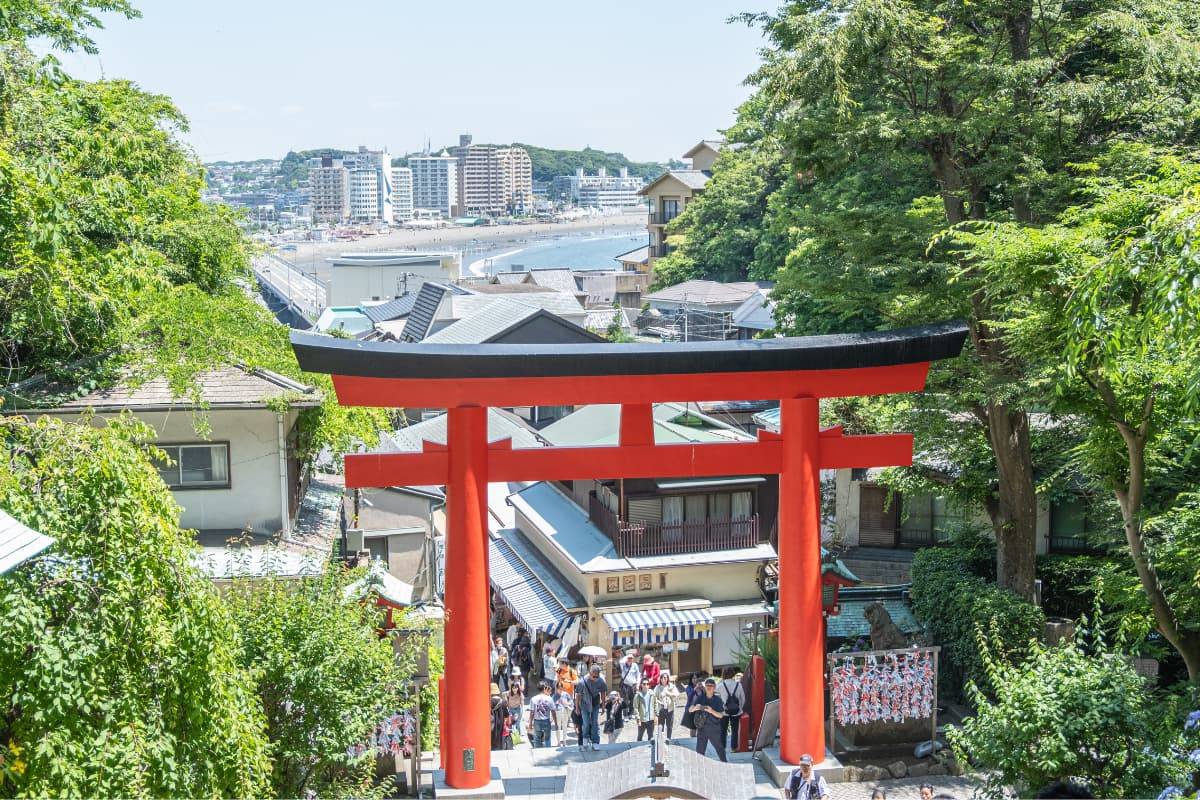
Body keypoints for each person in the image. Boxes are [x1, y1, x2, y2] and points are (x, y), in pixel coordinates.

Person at [689, 677, 727, 762]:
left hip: (714, 729)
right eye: (707, 685)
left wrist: (711, 711)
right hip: (702, 729)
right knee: (699, 752)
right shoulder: (700, 697)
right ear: (704, 687)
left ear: (714, 687)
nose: (709, 687)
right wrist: (696, 708)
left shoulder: (718, 700)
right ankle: (700, 768)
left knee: (720, 749)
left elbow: (721, 715)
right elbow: (690, 709)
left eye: (711, 685)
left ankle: (725, 764)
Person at [578, 663, 607, 751]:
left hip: (595, 703)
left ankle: (595, 741)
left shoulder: (601, 681)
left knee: (595, 723)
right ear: (590, 673)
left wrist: (603, 706)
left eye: (597, 676)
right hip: (584, 704)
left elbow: (603, 693)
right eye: (593, 676)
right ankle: (585, 738)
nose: (595, 678)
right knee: (586, 723)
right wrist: (577, 707)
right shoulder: (582, 681)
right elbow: (578, 695)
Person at [717, 666, 746, 752]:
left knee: (723, 730)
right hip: (736, 711)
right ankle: (734, 747)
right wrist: (739, 707)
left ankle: (722, 747)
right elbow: (743, 698)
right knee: (735, 729)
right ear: (733, 674)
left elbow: (715, 694)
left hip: (724, 711)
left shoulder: (721, 685)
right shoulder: (738, 684)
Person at [527, 682, 557, 749]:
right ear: (544, 688)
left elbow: (532, 712)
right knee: (547, 739)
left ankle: (538, 753)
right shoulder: (549, 698)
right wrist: (556, 723)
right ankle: (548, 752)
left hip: (537, 721)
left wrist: (530, 724)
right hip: (546, 720)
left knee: (537, 739)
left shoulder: (533, 699)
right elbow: (553, 711)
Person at [653, 672, 680, 739]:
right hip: (661, 709)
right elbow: (654, 697)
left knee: (669, 726)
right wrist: (659, 702)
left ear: (668, 679)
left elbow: (677, 694)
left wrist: (668, 693)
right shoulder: (657, 687)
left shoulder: (671, 686)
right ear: (660, 679)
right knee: (660, 726)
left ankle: (668, 739)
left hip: (670, 709)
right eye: (662, 677)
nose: (664, 679)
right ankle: (660, 740)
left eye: (665, 677)